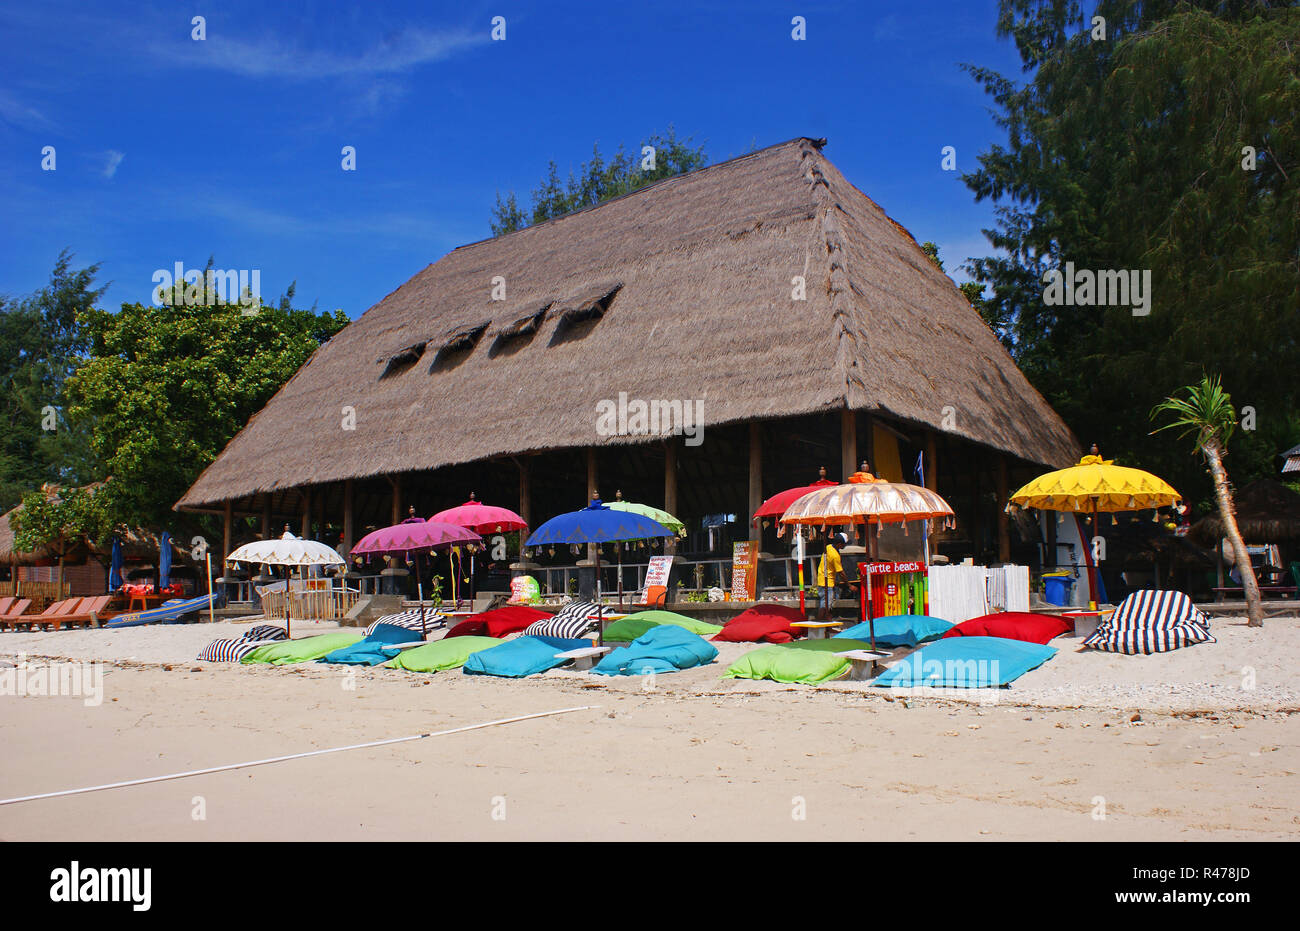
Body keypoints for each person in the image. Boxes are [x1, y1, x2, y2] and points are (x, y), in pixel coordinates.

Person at [817, 532, 849, 619]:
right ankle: (818, 625)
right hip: (827, 583)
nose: (844, 546)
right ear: (839, 544)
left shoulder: (828, 547)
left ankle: (829, 626)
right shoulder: (835, 556)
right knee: (825, 606)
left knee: (828, 606)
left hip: (822, 579)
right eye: (844, 545)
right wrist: (849, 585)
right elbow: (841, 572)